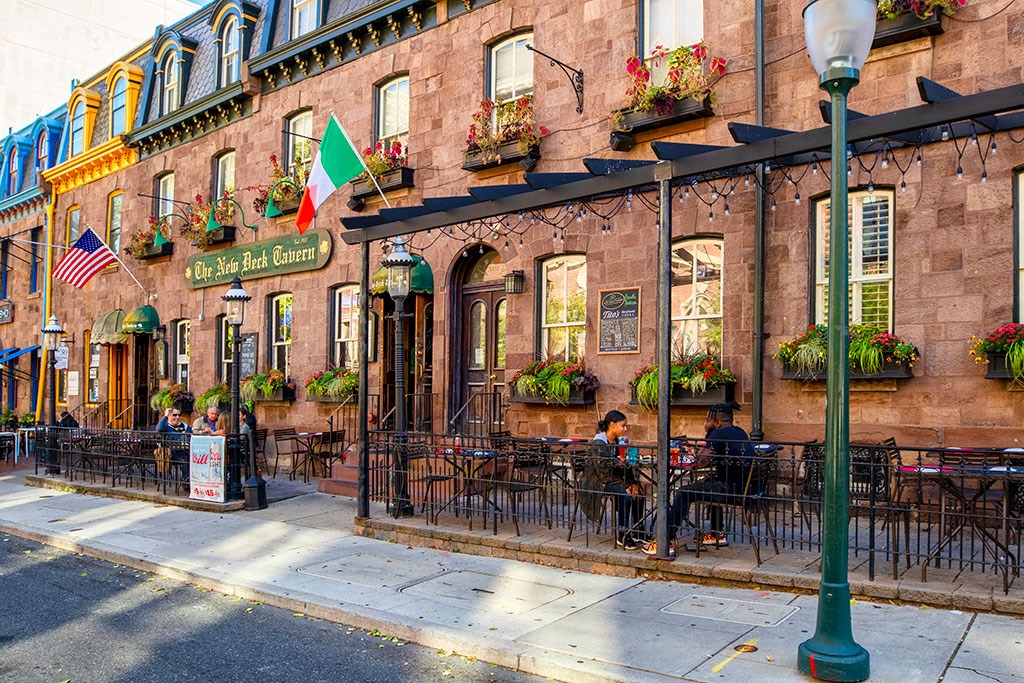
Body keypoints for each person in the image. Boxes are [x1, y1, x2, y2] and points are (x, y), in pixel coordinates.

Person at [644, 402, 757, 556]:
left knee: (683, 492)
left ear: (717, 423)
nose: (705, 424)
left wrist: (693, 454)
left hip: (733, 491)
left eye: (707, 420)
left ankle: (665, 541)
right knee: (707, 482)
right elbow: (712, 454)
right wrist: (697, 451)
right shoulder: (739, 432)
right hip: (749, 489)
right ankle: (717, 534)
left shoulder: (717, 433)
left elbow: (700, 462)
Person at [581, 410, 646, 550]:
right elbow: (603, 475)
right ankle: (622, 534)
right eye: (623, 426)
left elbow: (619, 467)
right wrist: (626, 485)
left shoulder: (615, 441)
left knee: (638, 491)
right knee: (626, 495)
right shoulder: (599, 444)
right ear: (612, 425)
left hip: (610, 479)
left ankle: (638, 530)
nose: (625, 429)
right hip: (596, 483)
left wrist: (633, 483)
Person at [156, 408, 192, 482]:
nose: (177, 417)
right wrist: (165, 416)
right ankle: (186, 480)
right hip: (172, 453)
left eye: (179, 415)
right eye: (174, 415)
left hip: (186, 450)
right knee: (186, 459)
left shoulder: (185, 426)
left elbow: (190, 436)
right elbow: (159, 429)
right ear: (168, 416)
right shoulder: (165, 427)